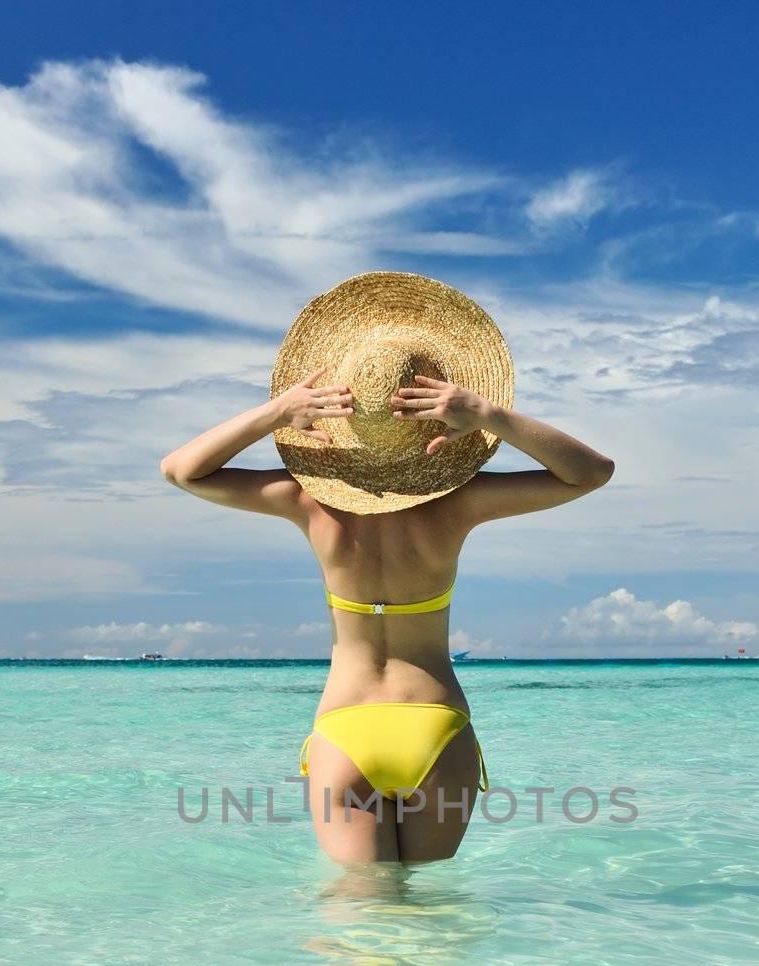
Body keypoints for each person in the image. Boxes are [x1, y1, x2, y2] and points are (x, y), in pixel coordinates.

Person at [160, 272, 614, 867]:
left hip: (346, 727)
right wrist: (487, 413)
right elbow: (591, 472)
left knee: (360, 929)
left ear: (343, 417)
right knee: (429, 922)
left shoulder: (307, 502)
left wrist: (278, 412)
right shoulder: (457, 504)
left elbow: (182, 470)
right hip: (436, 725)